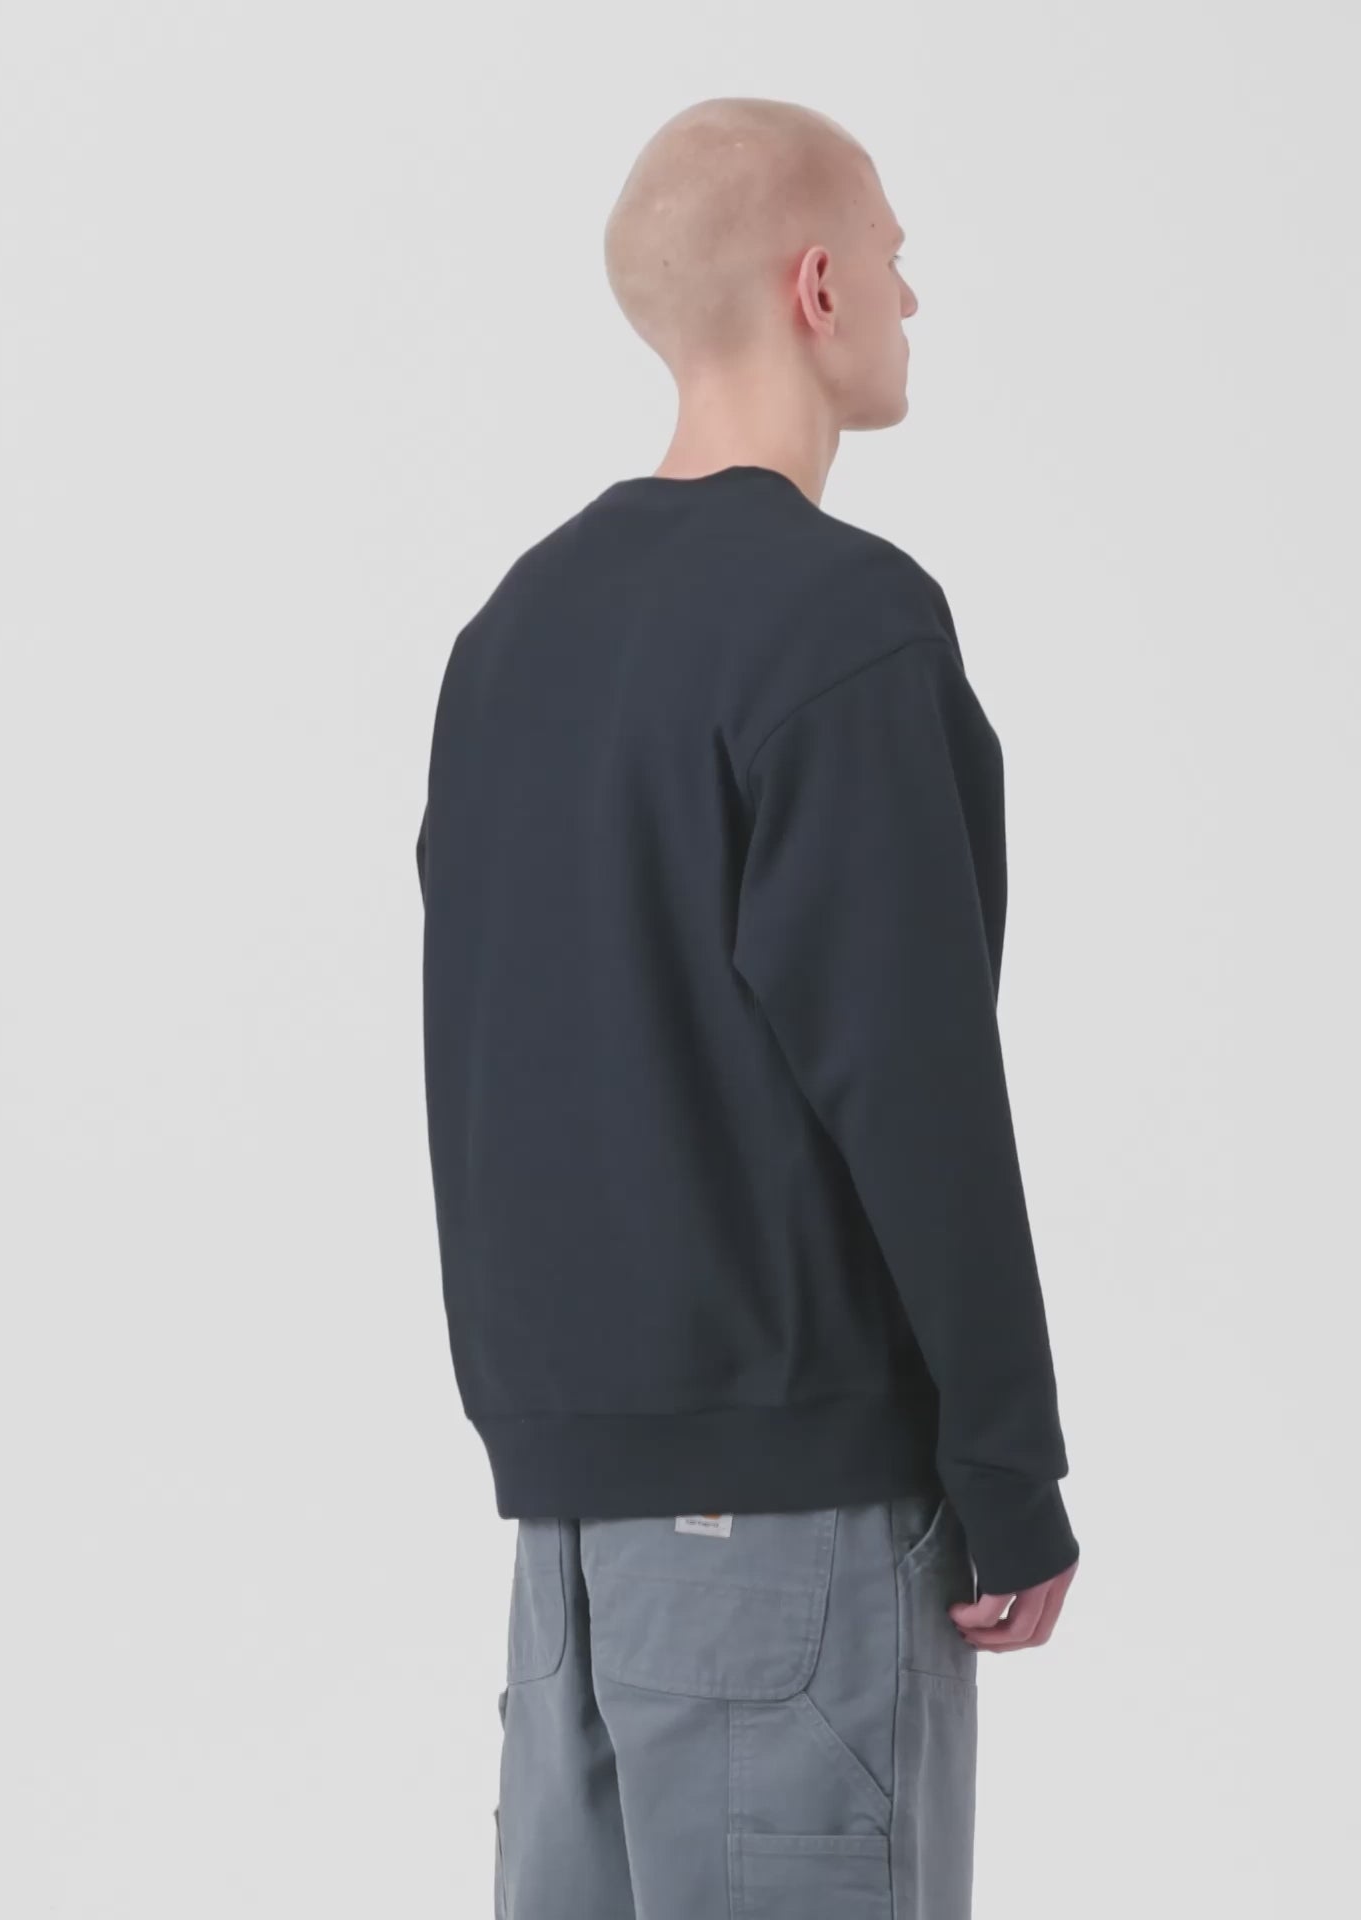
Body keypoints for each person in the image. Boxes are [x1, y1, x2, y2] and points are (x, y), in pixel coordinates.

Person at [416, 95, 1079, 1920]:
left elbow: (489, 1061)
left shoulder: (511, 639)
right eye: (892, 257)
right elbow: (913, 1076)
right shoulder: (842, 625)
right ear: (816, 288)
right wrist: (1009, 1468)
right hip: (791, 1541)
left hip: (566, 1552)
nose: (911, 296)